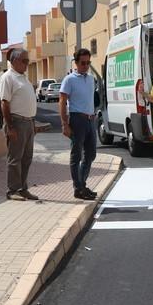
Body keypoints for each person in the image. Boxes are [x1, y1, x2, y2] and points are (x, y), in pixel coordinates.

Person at [0, 48, 39, 200]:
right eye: (24, 61)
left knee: (26, 158)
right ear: (14, 61)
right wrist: (10, 127)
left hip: (28, 122)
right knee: (15, 158)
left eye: (28, 61)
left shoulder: (23, 78)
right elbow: (4, 103)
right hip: (16, 122)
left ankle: (23, 188)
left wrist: (33, 122)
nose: (27, 64)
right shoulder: (8, 77)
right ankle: (13, 190)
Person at [59, 48, 98, 200]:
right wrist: (64, 124)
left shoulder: (90, 79)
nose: (86, 66)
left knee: (91, 154)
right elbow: (62, 101)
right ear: (76, 63)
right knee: (76, 156)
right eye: (83, 63)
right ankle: (78, 187)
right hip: (77, 119)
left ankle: (82, 185)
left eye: (88, 63)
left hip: (90, 120)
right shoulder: (69, 80)